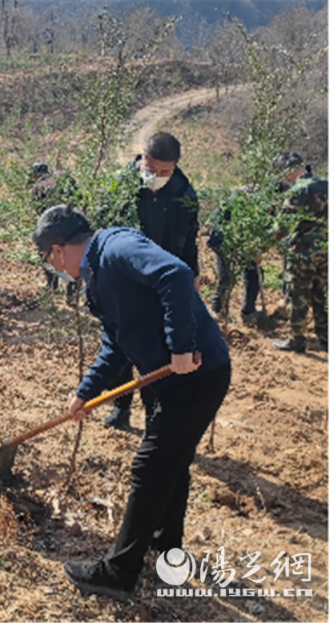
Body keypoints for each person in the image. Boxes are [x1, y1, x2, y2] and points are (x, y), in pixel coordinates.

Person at [32, 206, 231, 601]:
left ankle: (119, 571)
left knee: (151, 465)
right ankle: (165, 547)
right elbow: (116, 341)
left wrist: (180, 346)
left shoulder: (117, 247)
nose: (52, 267)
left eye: (46, 259)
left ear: (57, 251)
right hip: (170, 378)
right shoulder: (97, 275)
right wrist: (87, 391)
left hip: (196, 372)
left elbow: (175, 274)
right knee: (171, 463)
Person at [106, 132, 200, 430]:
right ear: (142, 158)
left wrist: (192, 273)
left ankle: (152, 413)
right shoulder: (122, 185)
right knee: (120, 345)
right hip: (124, 278)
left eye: (164, 173)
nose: (156, 177)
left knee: (154, 352)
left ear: (174, 167)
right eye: (151, 170)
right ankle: (120, 408)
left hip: (162, 282)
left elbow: (189, 240)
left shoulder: (184, 194)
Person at [272, 152, 328, 353]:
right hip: (326, 250)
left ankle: (297, 340)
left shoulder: (299, 190)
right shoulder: (327, 184)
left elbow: (282, 227)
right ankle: (326, 337)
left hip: (303, 252)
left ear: (289, 170)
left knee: (297, 294)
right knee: (319, 293)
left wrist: (269, 238)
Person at [207, 187, 262, 324]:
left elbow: (263, 229)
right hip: (223, 241)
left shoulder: (263, 206)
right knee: (226, 276)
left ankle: (248, 312)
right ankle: (217, 311)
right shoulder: (232, 205)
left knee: (253, 273)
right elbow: (219, 229)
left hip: (247, 242)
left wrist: (258, 248)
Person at [29, 161, 80, 296]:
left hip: (51, 228)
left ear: (35, 175)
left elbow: (40, 212)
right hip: (72, 224)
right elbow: (78, 197)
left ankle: (53, 286)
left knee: (46, 254)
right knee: (72, 257)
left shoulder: (37, 187)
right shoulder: (63, 178)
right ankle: (72, 292)